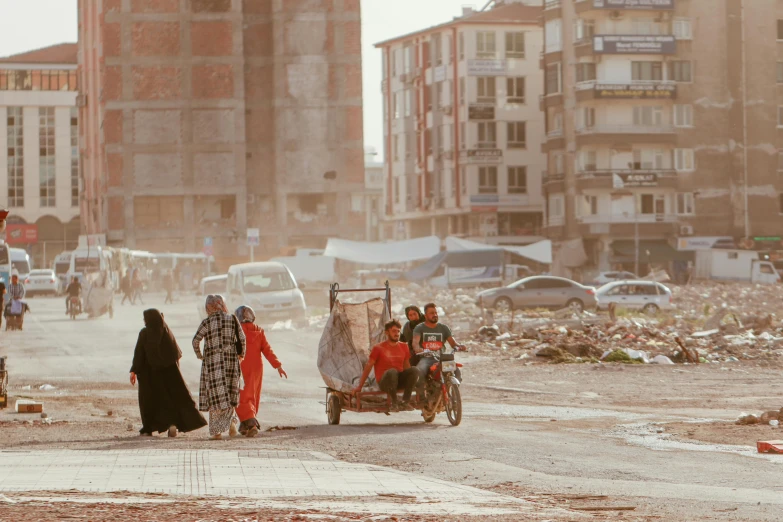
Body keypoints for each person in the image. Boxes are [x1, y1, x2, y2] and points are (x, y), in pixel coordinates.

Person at [130, 309, 207, 437]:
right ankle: (172, 424)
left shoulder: (144, 333)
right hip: (169, 373)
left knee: (150, 401)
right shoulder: (166, 331)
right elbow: (175, 353)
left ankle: (149, 428)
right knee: (171, 399)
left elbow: (139, 353)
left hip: (150, 376)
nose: (144, 321)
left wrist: (134, 370)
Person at [192, 295, 246, 440]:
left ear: (208, 306)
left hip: (213, 362)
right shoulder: (232, 318)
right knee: (230, 392)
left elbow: (195, 340)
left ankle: (216, 432)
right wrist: (241, 354)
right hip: (231, 361)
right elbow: (242, 338)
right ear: (221, 304)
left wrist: (200, 355)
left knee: (216, 395)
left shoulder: (207, 322)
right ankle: (231, 423)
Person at [234, 305, 287, 437]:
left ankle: (251, 422)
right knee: (253, 394)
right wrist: (278, 366)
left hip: (240, 367)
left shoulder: (235, 332)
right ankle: (245, 425)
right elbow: (267, 350)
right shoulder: (259, 331)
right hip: (257, 368)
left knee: (241, 396)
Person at [353, 319, 418, 410]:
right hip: (385, 382)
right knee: (392, 372)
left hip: (398, 380)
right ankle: (394, 403)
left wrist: (411, 380)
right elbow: (368, 366)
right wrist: (360, 386)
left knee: (414, 370)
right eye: (394, 331)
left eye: (398, 331)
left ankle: (405, 402)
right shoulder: (378, 348)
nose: (397, 334)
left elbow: (407, 366)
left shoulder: (404, 346)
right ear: (387, 333)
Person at [412, 303, 466, 385]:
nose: (435, 315)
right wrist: (417, 348)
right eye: (431, 313)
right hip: (427, 359)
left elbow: (453, 343)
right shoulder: (419, 328)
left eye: (435, 313)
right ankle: (422, 396)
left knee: (456, 372)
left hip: (442, 359)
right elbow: (415, 343)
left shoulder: (444, 328)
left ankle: (453, 393)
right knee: (420, 371)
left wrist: (459, 346)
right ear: (425, 316)